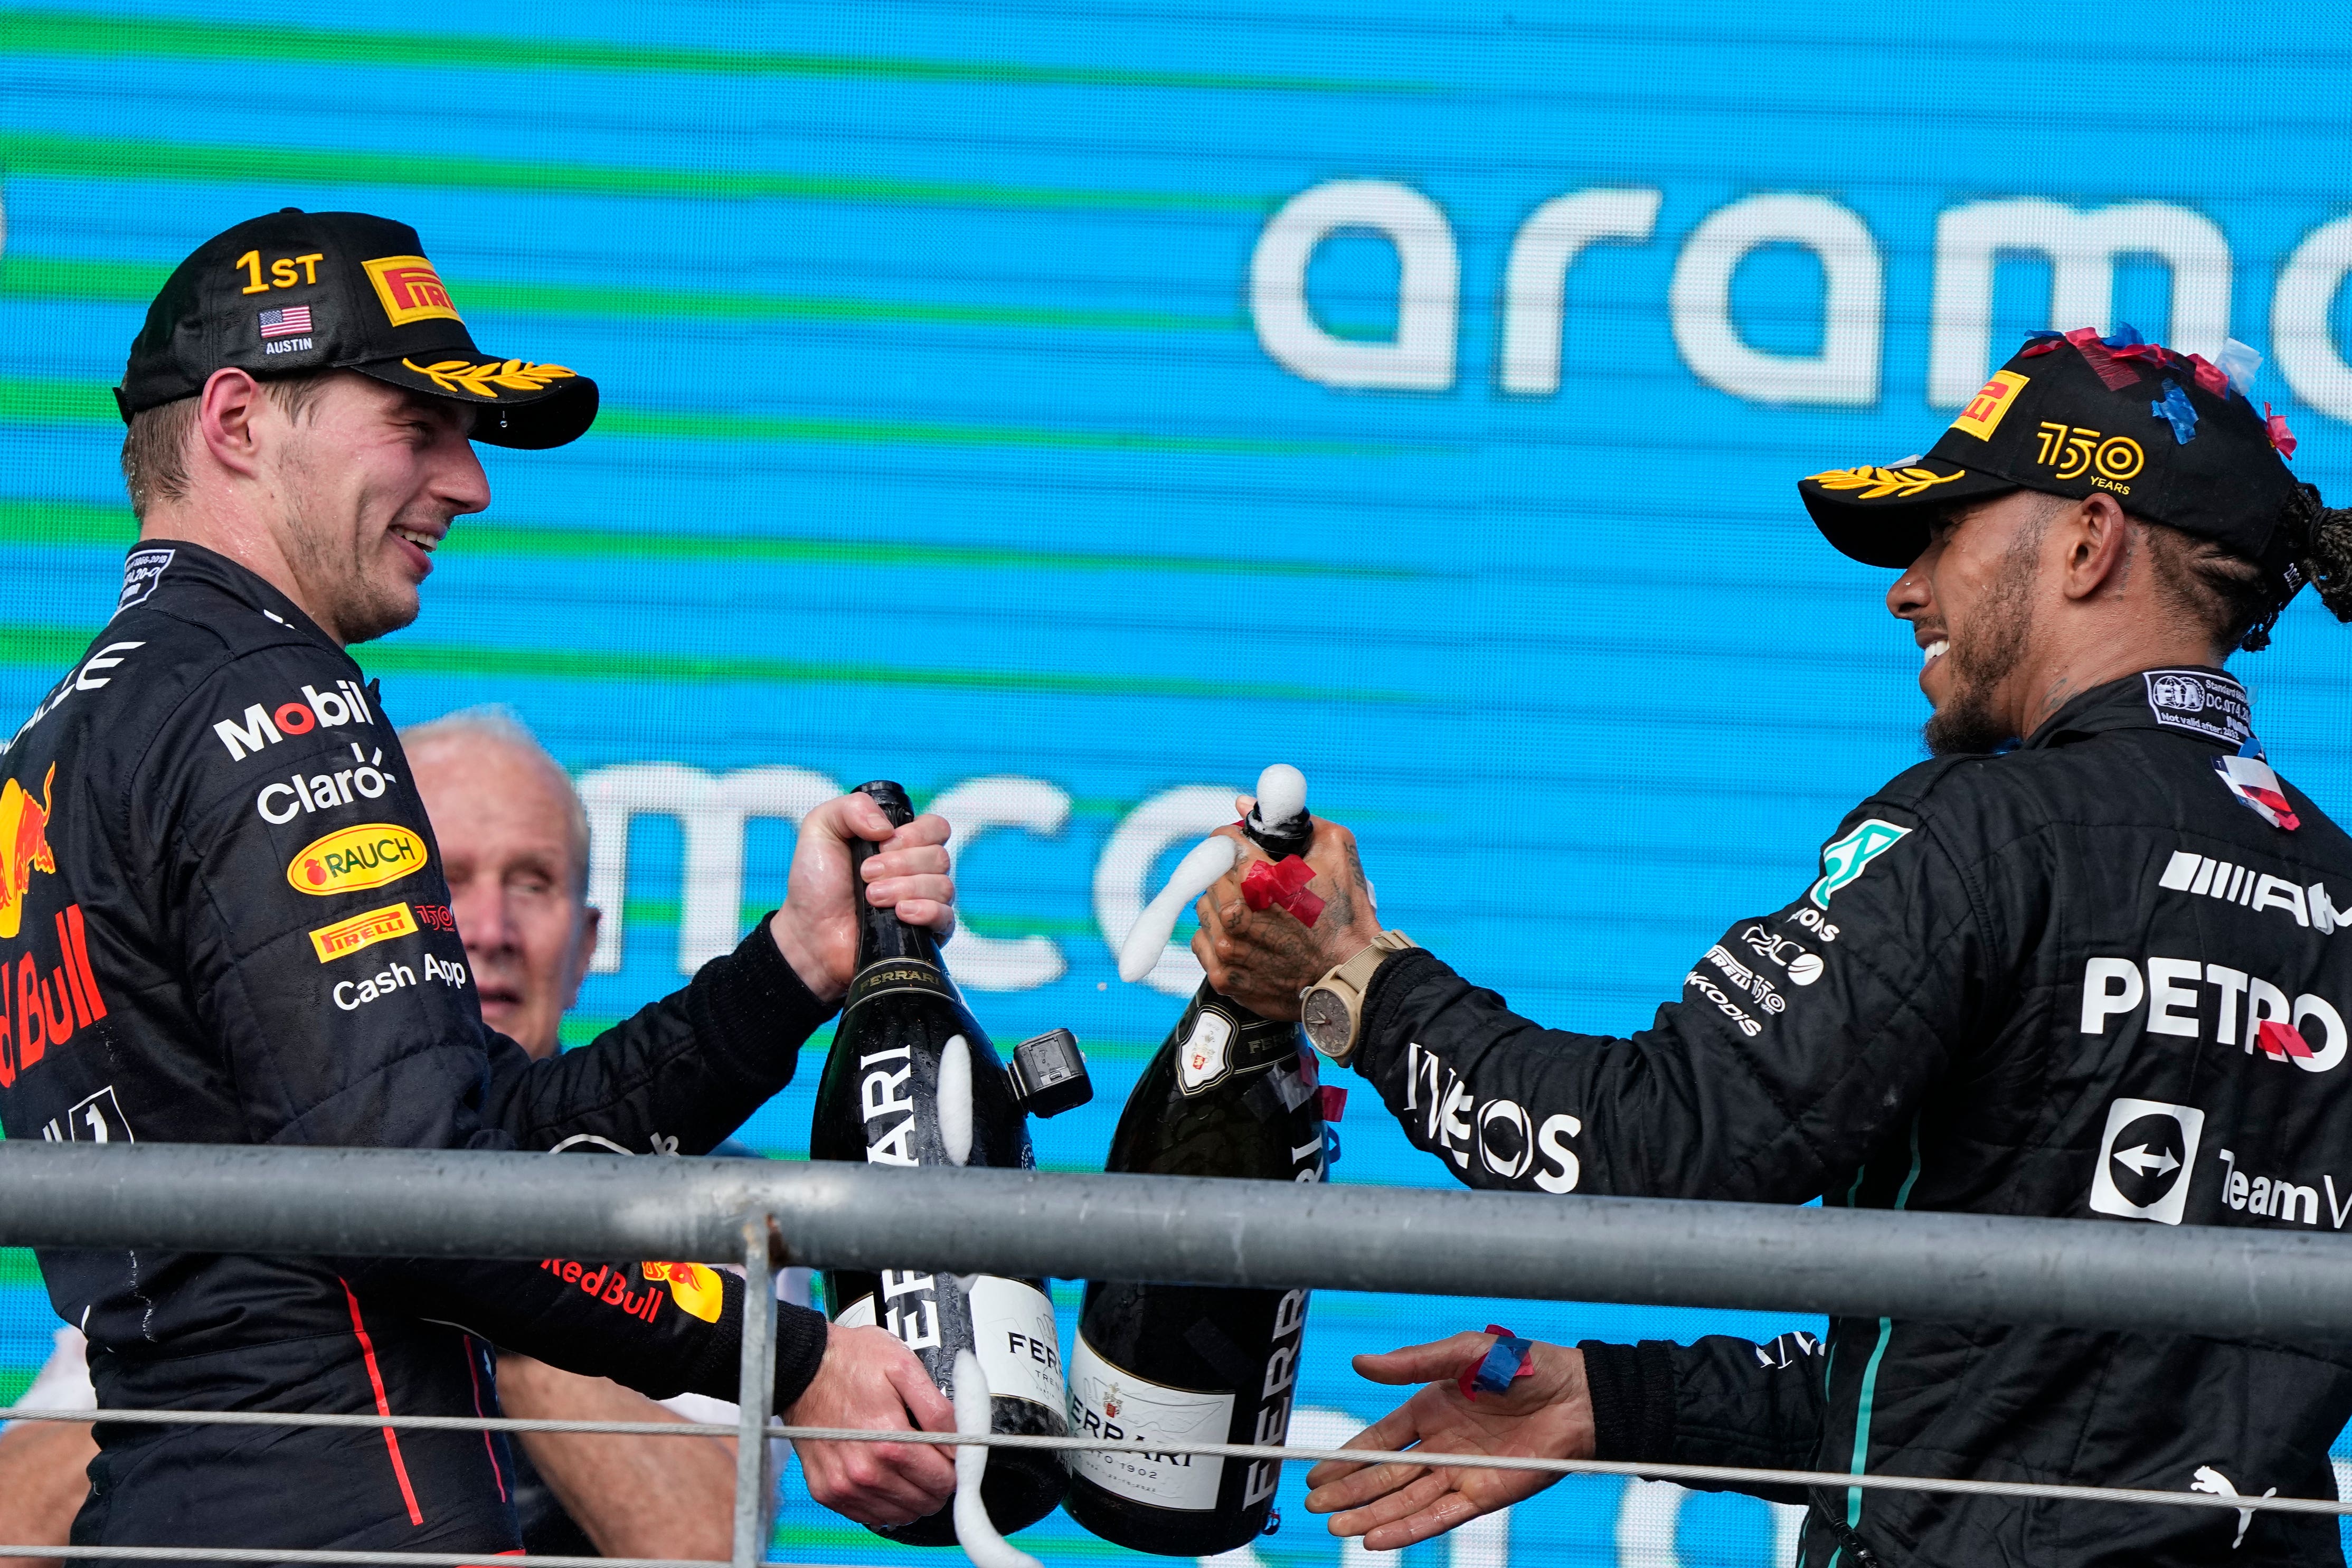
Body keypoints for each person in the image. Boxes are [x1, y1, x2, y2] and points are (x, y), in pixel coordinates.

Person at [1192, 329, 2352, 1565]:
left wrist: (1356, 985)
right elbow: (2030, 1393)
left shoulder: (1988, 830)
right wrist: (1616, 1400)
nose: (1905, 588)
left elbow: (1651, 1148)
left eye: (1942, 529)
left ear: (2086, 539)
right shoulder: (2333, 889)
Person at [0, 208, 959, 1560]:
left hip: (182, 1509)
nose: (470, 483)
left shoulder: (60, 739)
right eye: (415, 424)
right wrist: (793, 1358)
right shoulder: (270, 699)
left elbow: (472, 1141)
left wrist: (788, 971)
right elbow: (418, 1197)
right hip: (350, 1522)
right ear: (235, 421)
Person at [0, 707, 783, 1563]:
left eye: (532, 881)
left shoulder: (717, 1201)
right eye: (444, 880)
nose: (489, 931)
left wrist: (474, 1272)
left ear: (589, 942)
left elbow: (710, 1544)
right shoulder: (236, 1176)